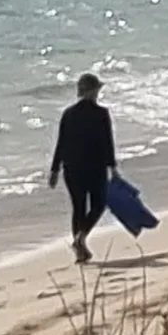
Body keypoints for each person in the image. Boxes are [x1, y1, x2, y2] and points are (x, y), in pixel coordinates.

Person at [48, 72, 117, 264]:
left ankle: (80, 248)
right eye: (96, 90)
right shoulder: (101, 114)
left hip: (72, 169)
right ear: (92, 91)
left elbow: (61, 144)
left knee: (78, 208)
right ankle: (81, 238)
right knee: (99, 204)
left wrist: (54, 170)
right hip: (95, 167)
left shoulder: (68, 114)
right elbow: (107, 143)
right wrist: (113, 167)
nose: (98, 93)